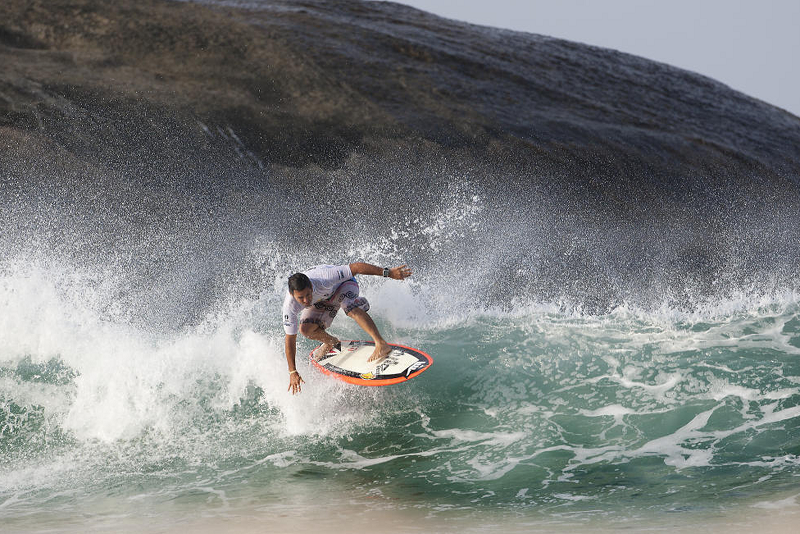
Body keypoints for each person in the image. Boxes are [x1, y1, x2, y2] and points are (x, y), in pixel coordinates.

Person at [283, 262, 413, 394]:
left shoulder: (324, 278)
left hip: (344, 285)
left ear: (311, 286)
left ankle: (381, 343)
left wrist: (389, 272)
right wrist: (292, 371)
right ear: (292, 294)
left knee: (349, 308)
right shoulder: (290, 306)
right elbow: (290, 339)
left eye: (308, 295)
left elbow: (356, 267)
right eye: (301, 298)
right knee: (306, 330)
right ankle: (332, 342)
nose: (305, 300)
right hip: (324, 299)